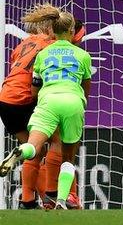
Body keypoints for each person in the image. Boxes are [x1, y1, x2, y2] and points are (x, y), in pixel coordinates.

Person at [0, 11, 92, 210]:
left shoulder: (29, 42)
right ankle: (53, 195)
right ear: (69, 32)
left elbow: (16, 64)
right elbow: (37, 88)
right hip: (29, 99)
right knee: (59, 143)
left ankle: (27, 200)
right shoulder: (62, 50)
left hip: (6, 98)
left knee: (35, 148)